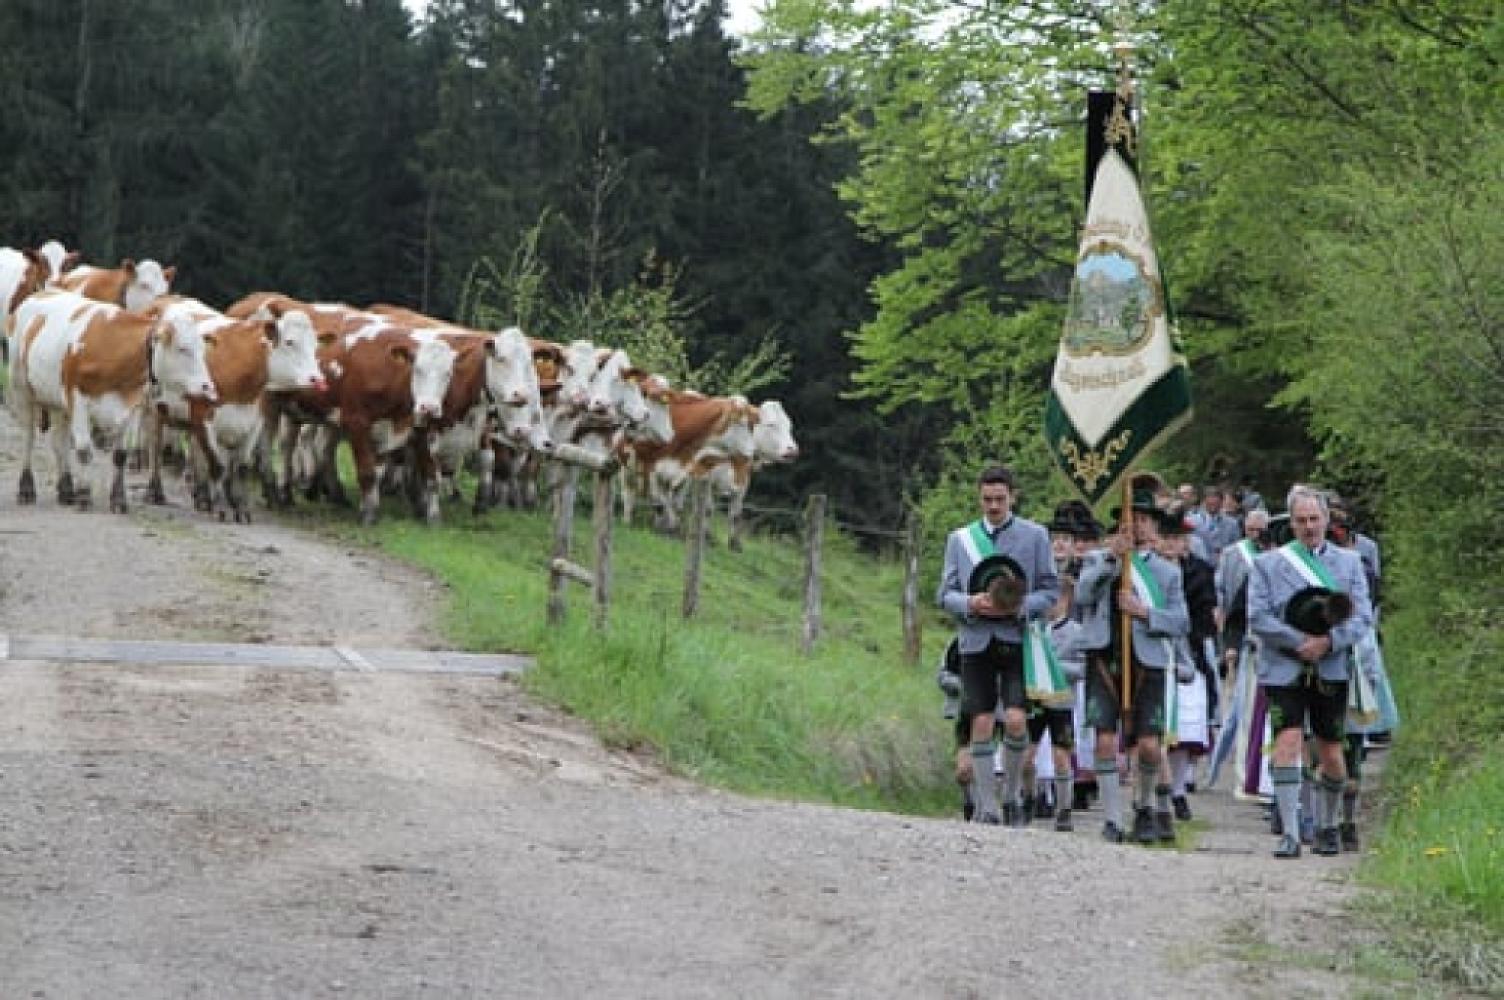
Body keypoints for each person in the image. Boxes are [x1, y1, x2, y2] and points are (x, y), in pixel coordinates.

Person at [1248, 485, 1374, 858]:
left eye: (1314, 519)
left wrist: (1328, 642)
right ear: (1291, 522)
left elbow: (1362, 617)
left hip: (1330, 667)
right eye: (1301, 520)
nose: (1308, 526)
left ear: (1326, 520)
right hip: (1283, 666)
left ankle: (1327, 825)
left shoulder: (1349, 563)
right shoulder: (1268, 564)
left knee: (1331, 752)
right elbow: (1258, 616)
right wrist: (1298, 641)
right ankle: (1289, 831)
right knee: (1286, 742)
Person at [937, 465, 1059, 825]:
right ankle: (987, 806)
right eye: (987, 499)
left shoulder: (1035, 536)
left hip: (1017, 639)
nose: (993, 506)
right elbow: (944, 594)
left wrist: (1019, 606)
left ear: (1012, 498)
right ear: (979, 498)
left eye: (1000, 499)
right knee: (982, 721)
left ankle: (1012, 796)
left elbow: (1050, 590)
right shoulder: (960, 539)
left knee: (1017, 720)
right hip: (976, 641)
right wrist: (970, 603)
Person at [1075, 479, 1190, 844]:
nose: (1137, 526)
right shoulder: (1098, 560)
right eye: (1131, 519)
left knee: (1150, 745)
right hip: (1104, 659)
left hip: (1147, 662)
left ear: (1153, 525)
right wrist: (1112, 558)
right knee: (1105, 740)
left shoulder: (1168, 572)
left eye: (1143, 519)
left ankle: (1145, 806)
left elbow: (1181, 622)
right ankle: (1112, 819)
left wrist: (1144, 612)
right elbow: (1082, 595)